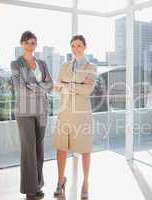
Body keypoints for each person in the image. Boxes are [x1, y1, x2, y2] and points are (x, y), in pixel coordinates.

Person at [52, 35, 96, 199]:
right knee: (61, 147)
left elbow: (88, 90)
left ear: (85, 47)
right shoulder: (64, 66)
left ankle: (85, 182)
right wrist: (75, 86)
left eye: (79, 45)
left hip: (82, 115)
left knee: (85, 150)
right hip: (64, 113)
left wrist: (67, 85)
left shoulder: (91, 67)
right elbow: (56, 86)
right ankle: (60, 179)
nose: (76, 48)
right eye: (73, 46)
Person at [11, 31, 53, 200]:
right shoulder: (16, 64)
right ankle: (30, 189)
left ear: (36, 45)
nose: (30, 46)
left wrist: (32, 85)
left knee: (39, 148)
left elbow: (50, 85)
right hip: (24, 112)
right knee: (29, 149)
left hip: (42, 110)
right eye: (27, 43)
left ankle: (37, 185)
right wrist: (40, 87)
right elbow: (19, 88)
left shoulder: (42, 64)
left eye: (33, 43)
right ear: (22, 44)